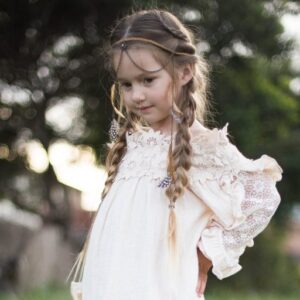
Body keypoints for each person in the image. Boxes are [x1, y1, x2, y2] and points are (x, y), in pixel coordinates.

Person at [67, 9, 283, 300]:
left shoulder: (204, 147)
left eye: (147, 80)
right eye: (127, 84)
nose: (136, 95)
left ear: (184, 71)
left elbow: (262, 196)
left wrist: (207, 254)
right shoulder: (135, 146)